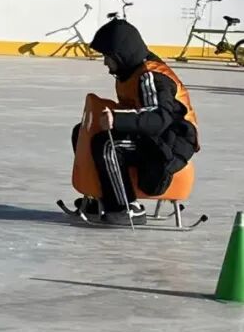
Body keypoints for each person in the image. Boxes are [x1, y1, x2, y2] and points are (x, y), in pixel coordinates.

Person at [72, 19, 200, 225]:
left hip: (171, 145)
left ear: (121, 55)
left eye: (107, 56)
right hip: (154, 138)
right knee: (82, 134)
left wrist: (118, 120)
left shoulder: (150, 76)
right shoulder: (128, 72)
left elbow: (159, 118)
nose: (105, 62)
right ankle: (105, 197)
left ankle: (126, 207)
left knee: (107, 145)